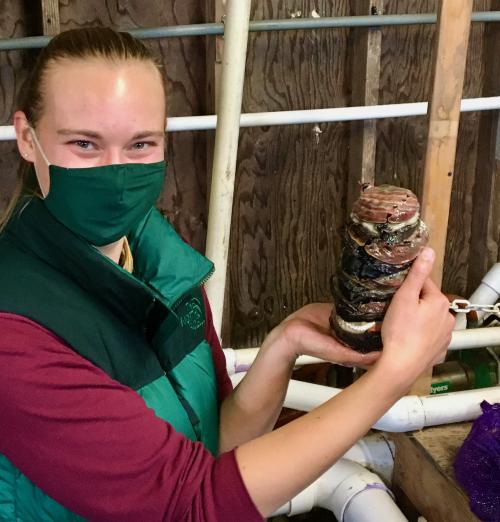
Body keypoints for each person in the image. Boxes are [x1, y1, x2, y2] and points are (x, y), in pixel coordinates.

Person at [0, 27, 454, 522]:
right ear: (28, 138)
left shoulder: (160, 263)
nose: (116, 172)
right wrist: (391, 378)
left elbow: (214, 443)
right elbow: (191, 503)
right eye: (85, 144)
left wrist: (284, 346)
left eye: (141, 144)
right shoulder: (14, 328)